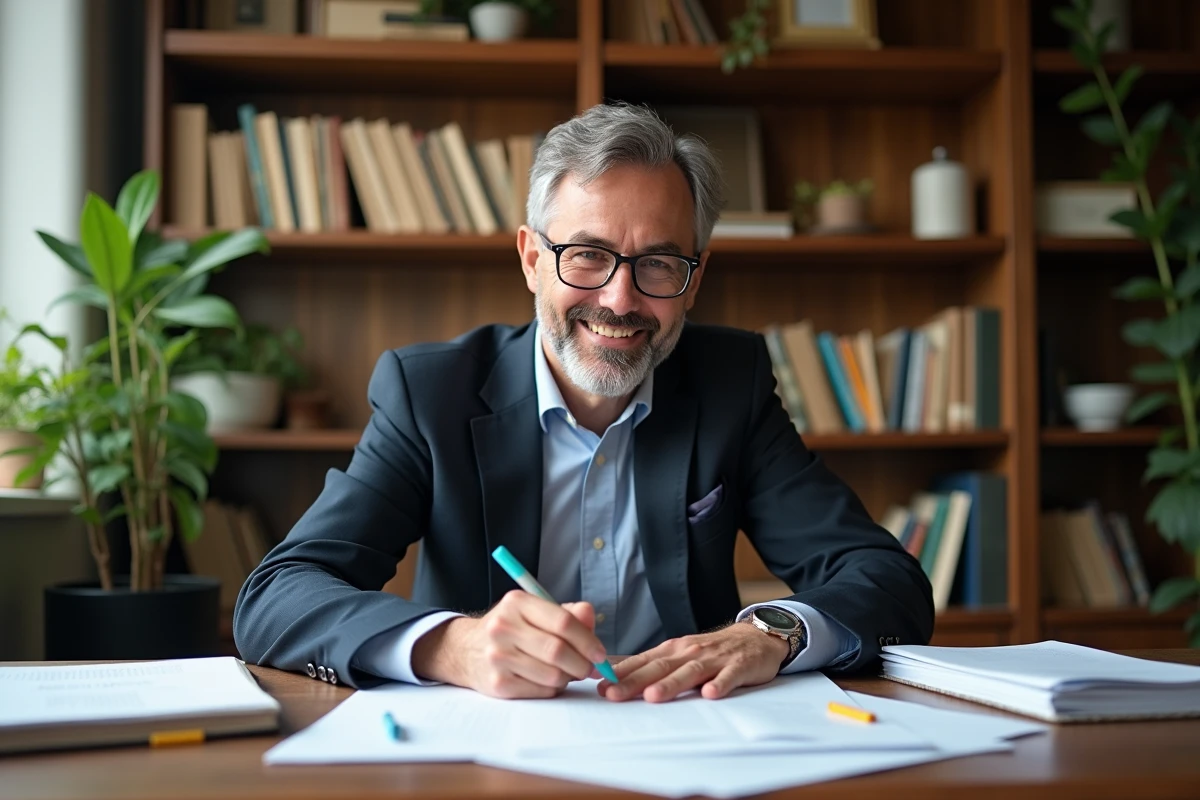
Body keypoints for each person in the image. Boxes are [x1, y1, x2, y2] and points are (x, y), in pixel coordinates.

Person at [234, 102, 934, 702]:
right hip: (490, 755)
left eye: (659, 263)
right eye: (588, 255)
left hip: (691, 736)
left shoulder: (730, 382)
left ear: (694, 280)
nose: (621, 300)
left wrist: (774, 633)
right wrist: (452, 646)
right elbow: (278, 594)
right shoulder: (432, 394)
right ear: (532, 259)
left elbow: (886, 580)